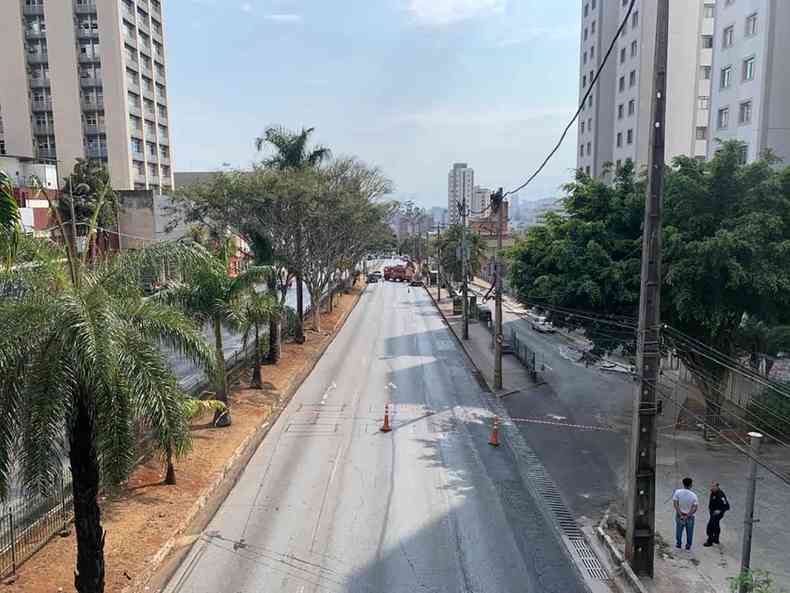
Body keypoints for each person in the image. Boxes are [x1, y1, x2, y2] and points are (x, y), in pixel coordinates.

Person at [672, 477, 699, 550]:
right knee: (690, 532)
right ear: (691, 485)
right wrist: (687, 515)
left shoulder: (677, 492)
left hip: (680, 515)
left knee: (679, 530)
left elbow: (675, 504)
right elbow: (695, 507)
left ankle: (678, 544)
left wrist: (680, 514)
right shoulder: (694, 495)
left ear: (683, 484)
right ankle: (688, 545)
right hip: (689, 517)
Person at [704, 482, 730, 546]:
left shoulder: (720, 495)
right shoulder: (713, 493)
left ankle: (709, 541)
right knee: (716, 525)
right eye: (711, 486)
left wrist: (720, 511)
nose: (712, 488)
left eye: (713, 486)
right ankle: (716, 539)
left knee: (710, 526)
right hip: (712, 513)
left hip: (717, 514)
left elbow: (727, 506)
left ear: (717, 487)